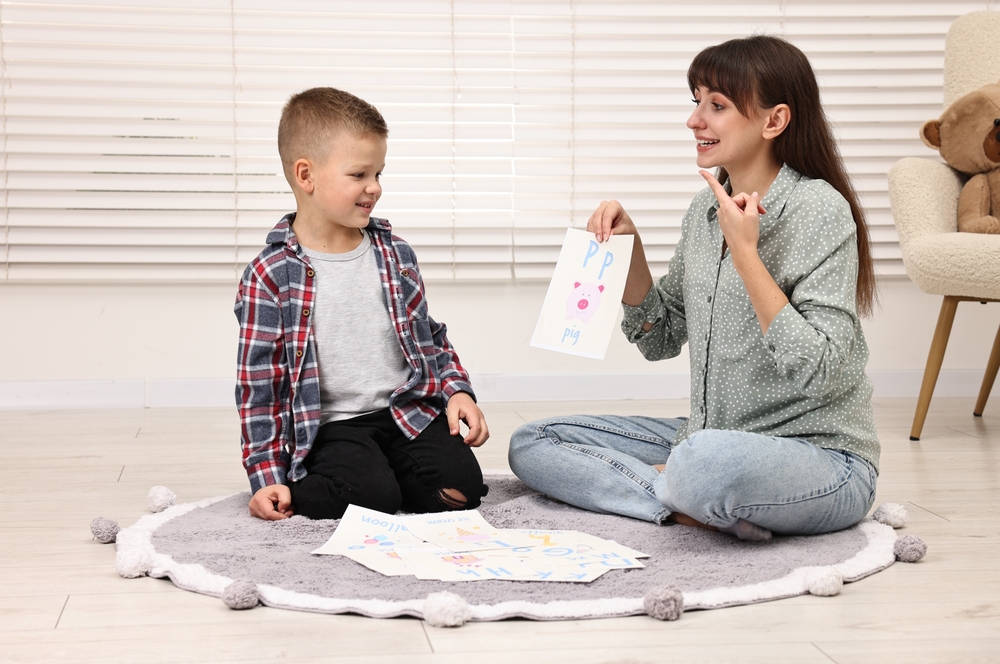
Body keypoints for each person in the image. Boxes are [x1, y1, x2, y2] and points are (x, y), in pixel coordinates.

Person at [508, 35, 880, 541]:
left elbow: (820, 371)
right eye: (696, 101)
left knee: (703, 463)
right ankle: (684, 504)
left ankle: (685, 489)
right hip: (707, 437)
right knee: (535, 441)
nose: (694, 120)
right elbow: (660, 339)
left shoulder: (819, 209)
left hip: (820, 460)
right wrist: (631, 254)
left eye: (717, 105)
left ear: (774, 121)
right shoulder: (703, 212)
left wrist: (746, 253)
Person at [235, 87, 489, 521]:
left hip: (403, 411)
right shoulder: (270, 275)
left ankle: (384, 477)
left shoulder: (395, 255)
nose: (374, 188)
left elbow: (428, 335)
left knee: (461, 489)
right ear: (306, 175)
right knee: (372, 497)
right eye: (359, 175)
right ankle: (349, 481)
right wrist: (266, 474)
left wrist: (456, 390)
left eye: (379, 173)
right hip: (330, 426)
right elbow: (260, 391)